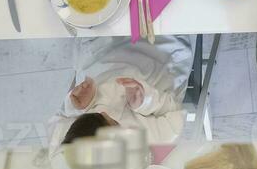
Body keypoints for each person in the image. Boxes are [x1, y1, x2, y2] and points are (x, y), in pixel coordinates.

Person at [47, 37, 195, 151]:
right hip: (159, 49)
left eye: (96, 113)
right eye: (113, 122)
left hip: (100, 46)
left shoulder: (65, 148)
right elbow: (176, 112)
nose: (104, 112)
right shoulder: (152, 141)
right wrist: (146, 101)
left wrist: (77, 106)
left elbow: (59, 118)